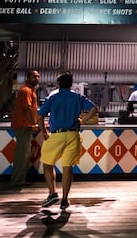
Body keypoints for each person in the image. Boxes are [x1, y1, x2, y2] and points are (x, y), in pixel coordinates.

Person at [38, 72, 98, 210]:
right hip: (73, 135)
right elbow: (94, 109)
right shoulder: (77, 97)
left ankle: (52, 193)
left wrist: (43, 132)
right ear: (71, 84)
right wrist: (84, 120)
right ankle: (64, 199)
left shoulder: (52, 98)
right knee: (67, 168)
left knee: (47, 164)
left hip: (56, 135)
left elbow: (40, 117)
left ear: (58, 84)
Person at [10, 70, 40, 187]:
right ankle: (17, 181)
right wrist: (33, 124)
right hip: (23, 126)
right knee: (22, 155)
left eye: (38, 76)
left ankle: (19, 180)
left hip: (24, 125)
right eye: (34, 76)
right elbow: (27, 109)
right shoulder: (26, 91)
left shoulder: (29, 90)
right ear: (28, 78)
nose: (37, 78)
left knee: (24, 155)